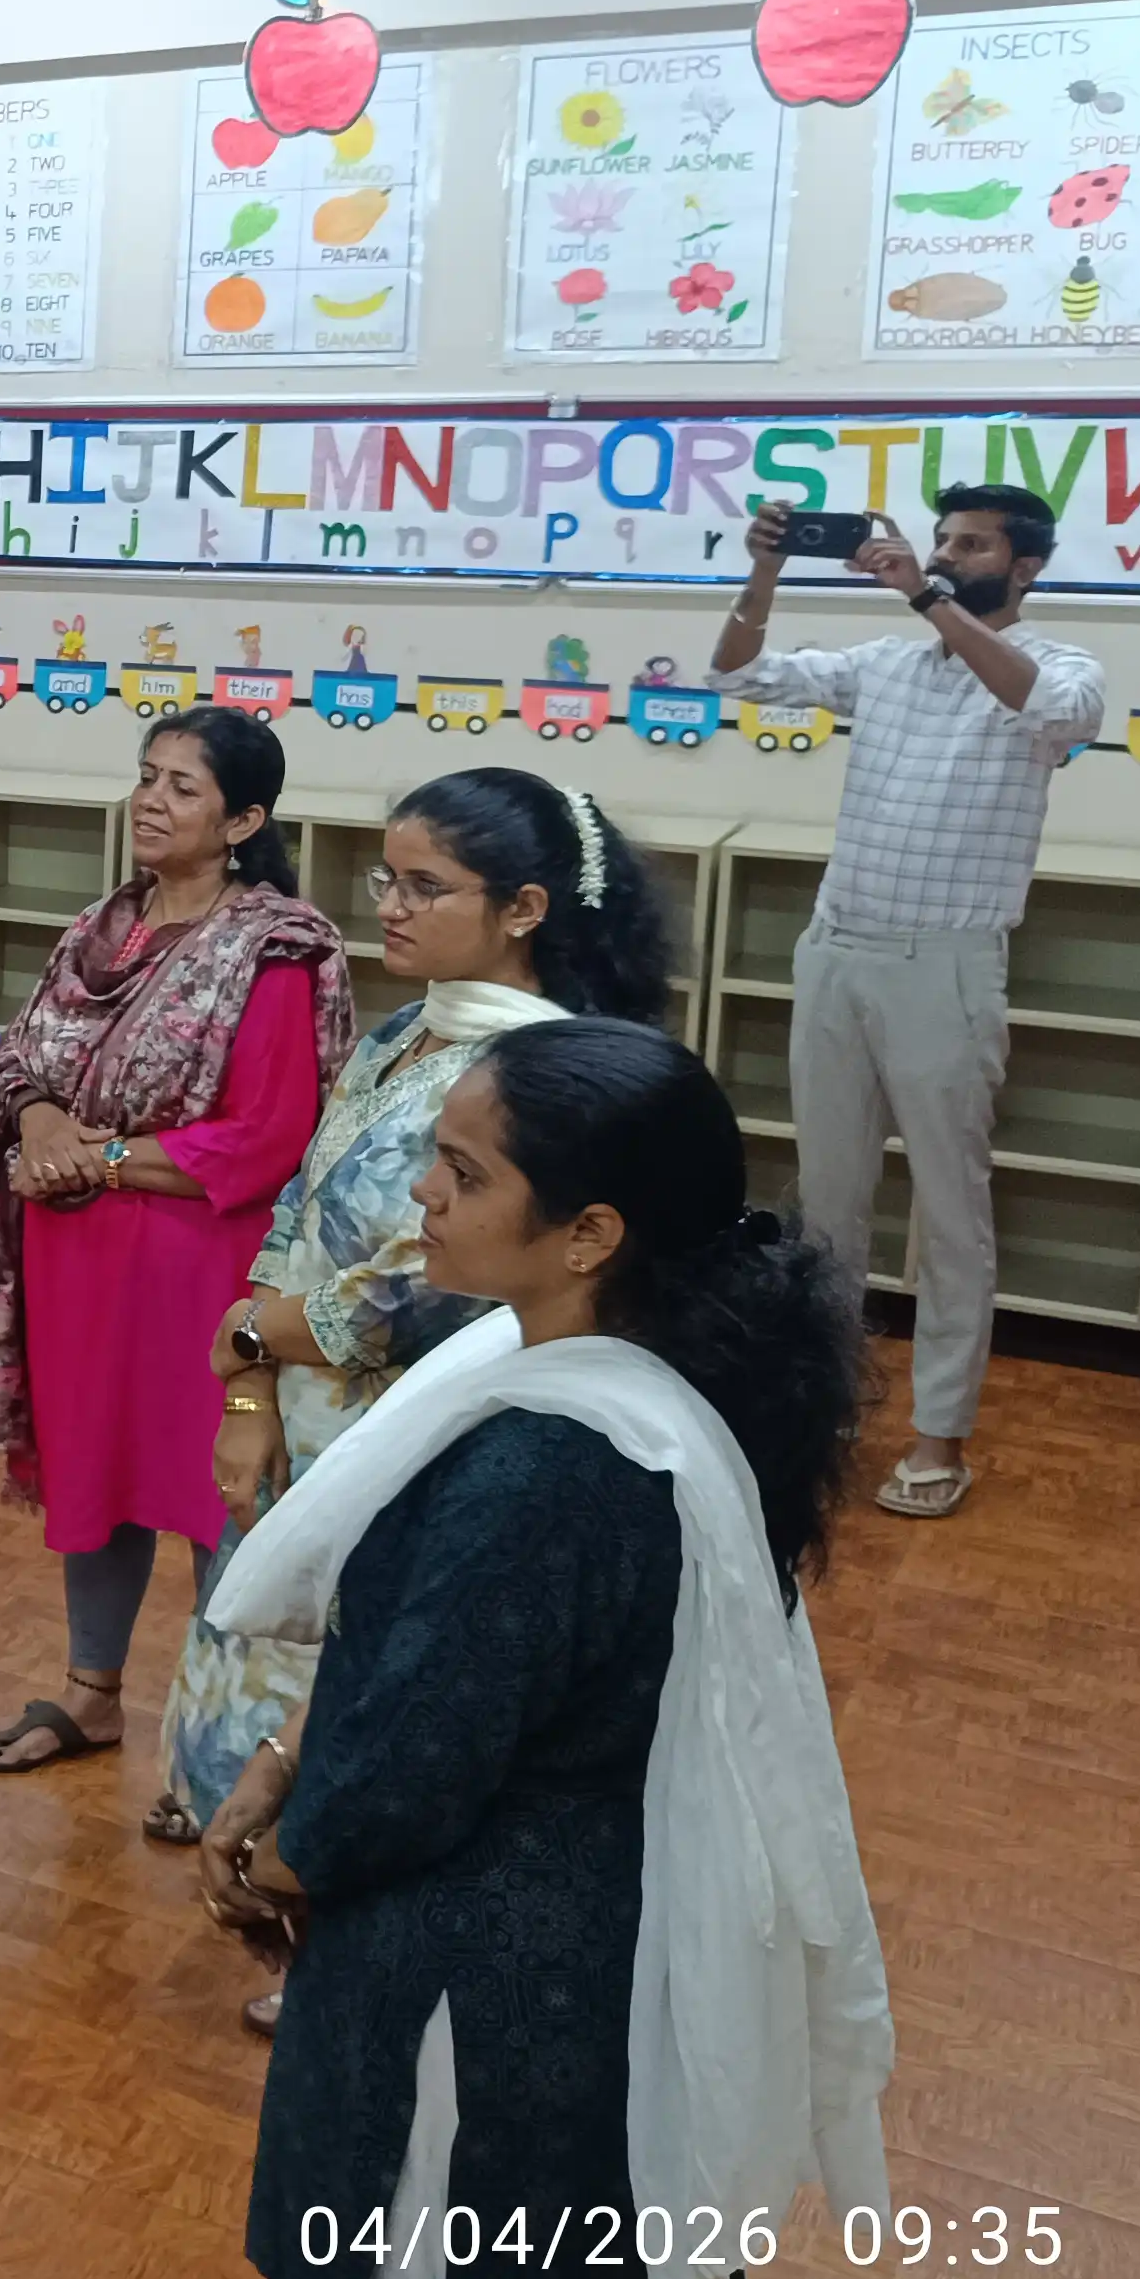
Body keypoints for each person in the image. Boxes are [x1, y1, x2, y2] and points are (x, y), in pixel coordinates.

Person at [204, 1019, 890, 2279]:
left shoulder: (549, 1470)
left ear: (588, 1234)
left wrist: (282, 1856)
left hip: (491, 1992)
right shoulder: (655, 1374)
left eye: (462, 1173)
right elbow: (458, 1668)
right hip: (590, 1932)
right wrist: (293, 1746)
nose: (423, 1197)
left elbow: (415, 1761)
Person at [157, 766, 676, 1852]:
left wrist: (250, 1336)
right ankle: (252, 1870)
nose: (386, 906)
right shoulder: (402, 1033)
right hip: (292, 1419)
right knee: (251, 1661)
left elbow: (429, 1294)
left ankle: (322, 1934)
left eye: (423, 887)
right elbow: (296, 1206)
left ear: (522, 910)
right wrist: (247, 1394)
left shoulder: (546, 1074)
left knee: (363, 1698)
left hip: (410, 1439)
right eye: (384, 879)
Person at [0, 711, 353, 1775]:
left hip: (197, 1264)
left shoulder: (274, 950)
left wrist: (95, 1161)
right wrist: (37, 1123)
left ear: (242, 819)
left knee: (212, 1492)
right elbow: (22, 1060)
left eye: (183, 788)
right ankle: (90, 1695)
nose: (151, 801)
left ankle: (220, 1744)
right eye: (146, 778)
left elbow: (264, 1136)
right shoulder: (100, 931)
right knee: (96, 1475)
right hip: (78, 1262)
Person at [710, 484, 1108, 1519]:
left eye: (970, 544)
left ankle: (939, 1437)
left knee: (951, 1214)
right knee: (828, 1203)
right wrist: (765, 569)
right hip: (837, 950)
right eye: (941, 539)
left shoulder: (1059, 667)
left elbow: (1054, 714)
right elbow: (739, 672)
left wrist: (929, 596)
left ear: (1023, 567)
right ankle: (826, 1397)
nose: (945, 552)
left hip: (947, 967)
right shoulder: (886, 664)